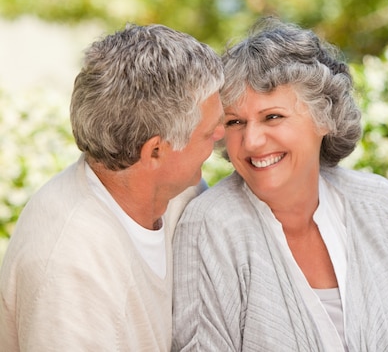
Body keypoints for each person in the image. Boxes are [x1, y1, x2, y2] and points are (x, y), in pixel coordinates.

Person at [171, 17, 388, 351]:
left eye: (273, 117)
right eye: (235, 122)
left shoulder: (381, 204)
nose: (252, 141)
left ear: (324, 117)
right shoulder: (210, 226)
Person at [0, 23, 225, 351]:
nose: (222, 135)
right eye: (209, 132)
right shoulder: (70, 267)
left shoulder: (177, 196)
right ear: (155, 152)